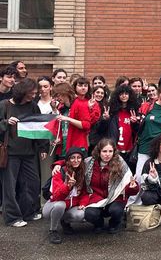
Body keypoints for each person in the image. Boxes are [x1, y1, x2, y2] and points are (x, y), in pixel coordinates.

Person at [0, 78, 48, 227]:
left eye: (35, 93)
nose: (34, 96)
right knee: (10, 186)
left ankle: (28, 212)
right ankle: (12, 217)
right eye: (31, 93)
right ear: (23, 92)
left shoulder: (33, 106)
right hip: (10, 153)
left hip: (29, 153)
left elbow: (40, 126)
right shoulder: (4, 105)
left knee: (32, 183)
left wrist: (43, 147)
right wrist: (5, 122)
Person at [83, 138, 138, 233]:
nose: (107, 154)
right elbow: (73, 163)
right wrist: (58, 164)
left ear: (114, 152)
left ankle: (114, 224)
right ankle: (99, 224)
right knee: (89, 214)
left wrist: (133, 187)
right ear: (99, 151)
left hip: (116, 198)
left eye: (110, 151)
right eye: (104, 151)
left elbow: (132, 189)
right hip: (97, 197)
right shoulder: (89, 162)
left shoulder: (121, 163)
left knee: (116, 210)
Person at [42, 147, 87, 244]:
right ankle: (53, 230)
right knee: (60, 205)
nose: (76, 160)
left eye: (79, 157)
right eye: (72, 158)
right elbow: (56, 196)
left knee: (81, 214)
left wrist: (83, 203)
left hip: (70, 206)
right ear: (68, 160)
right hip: (52, 206)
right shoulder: (59, 172)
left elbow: (84, 193)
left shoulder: (82, 172)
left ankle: (65, 222)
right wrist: (68, 186)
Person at [51, 82, 92, 157]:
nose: (57, 98)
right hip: (64, 149)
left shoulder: (80, 104)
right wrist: (59, 139)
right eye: (55, 96)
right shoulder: (61, 108)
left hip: (77, 148)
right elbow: (63, 128)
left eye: (58, 95)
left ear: (66, 93)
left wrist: (68, 119)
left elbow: (87, 125)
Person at [108, 84, 140, 169]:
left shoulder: (134, 111)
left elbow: (138, 131)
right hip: (116, 149)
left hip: (130, 149)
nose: (124, 96)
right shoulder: (113, 112)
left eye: (126, 93)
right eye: (121, 94)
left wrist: (135, 123)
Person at [88, 85, 110, 155]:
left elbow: (102, 127)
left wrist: (104, 119)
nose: (99, 95)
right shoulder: (87, 103)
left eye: (102, 93)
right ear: (93, 93)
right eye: (97, 92)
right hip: (88, 139)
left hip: (100, 139)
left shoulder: (106, 106)